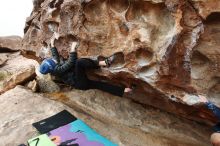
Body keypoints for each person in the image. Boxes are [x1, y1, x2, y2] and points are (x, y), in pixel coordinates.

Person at [39, 33, 133, 97]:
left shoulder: (54, 65)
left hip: (78, 81)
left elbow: (55, 56)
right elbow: (71, 62)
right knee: (79, 63)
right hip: (79, 82)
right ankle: (104, 63)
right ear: (53, 67)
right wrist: (73, 48)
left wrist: (52, 44)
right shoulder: (58, 70)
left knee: (100, 85)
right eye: (53, 62)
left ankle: (124, 90)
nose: (54, 60)